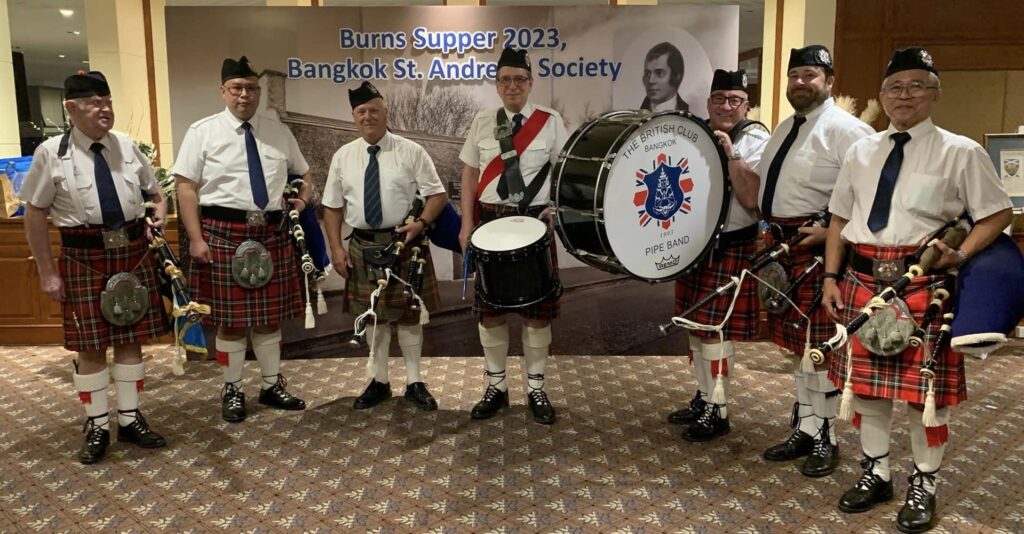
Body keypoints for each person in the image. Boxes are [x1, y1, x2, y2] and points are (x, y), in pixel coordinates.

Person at [822, 47, 1012, 533]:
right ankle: (876, 472)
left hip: (925, 283)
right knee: (867, 393)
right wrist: (829, 277)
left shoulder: (961, 151)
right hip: (862, 277)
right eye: (894, 87)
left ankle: (923, 481)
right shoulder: (861, 151)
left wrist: (963, 255)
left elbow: (997, 213)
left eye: (916, 86)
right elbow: (840, 218)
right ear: (882, 96)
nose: (904, 95)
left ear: (934, 93)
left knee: (927, 395)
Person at [21, 71, 169, 463]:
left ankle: (130, 418)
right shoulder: (51, 153)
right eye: (94, 103)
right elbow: (34, 214)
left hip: (132, 252)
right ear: (71, 109)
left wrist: (160, 212)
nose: (104, 109)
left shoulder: (127, 146)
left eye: (107, 101)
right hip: (83, 256)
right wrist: (48, 271)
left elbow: (155, 192)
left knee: (131, 340)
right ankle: (97, 424)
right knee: (89, 347)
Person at [756, 45, 875, 477]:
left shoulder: (848, 130)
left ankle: (826, 436)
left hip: (820, 248)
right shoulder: (787, 125)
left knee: (820, 350)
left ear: (829, 81)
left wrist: (831, 233)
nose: (800, 83)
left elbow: (872, 194)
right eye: (794, 75)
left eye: (810, 74)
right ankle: (806, 427)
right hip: (784, 247)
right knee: (796, 350)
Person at [173, 56, 310, 423]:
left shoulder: (277, 129)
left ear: (259, 91)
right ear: (223, 92)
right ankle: (232, 388)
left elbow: (305, 174)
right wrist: (195, 239)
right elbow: (185, 188)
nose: (244, 95)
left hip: (271, 232)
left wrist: (303, 197)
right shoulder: (202, 131)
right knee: (230, 322)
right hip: (222, 232)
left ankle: (270, 385)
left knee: (268, 320)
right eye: (237, 88)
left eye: (251, 88)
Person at [458, 48, 568, 425]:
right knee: (490, 313)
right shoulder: (482, 121)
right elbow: (470, 176)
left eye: (519, 79)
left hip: (534, 224)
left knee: (537, 314)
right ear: (497, 83)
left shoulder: (550, 121)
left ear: (530, 83)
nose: (512, 86)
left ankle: (536, 387)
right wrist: (465, 225)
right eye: (505, 79)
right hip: (489, 223)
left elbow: (565, 172)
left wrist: (557, 208)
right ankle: (497, 386)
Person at [322, 81, 448, 411]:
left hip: (404, 243)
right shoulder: (343, 156)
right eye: (361, 112)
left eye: (373, 110)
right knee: (373, 318)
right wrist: (335, 248)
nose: (368, 117)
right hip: (362, 245)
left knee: (409, 316)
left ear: (385, 112)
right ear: (353, 116)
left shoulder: (411, 151)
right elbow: (332, 207)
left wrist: (420, 224)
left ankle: (414, 381)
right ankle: (378, 380)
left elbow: (437, 195)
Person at [669, 69, 768, 442]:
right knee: (696, 327)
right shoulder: (693, 134)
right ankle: (704, 395)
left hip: (732, 242)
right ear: (708, 102)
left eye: (735, 100)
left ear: (746, 104)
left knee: (715, 331)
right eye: (719, 99)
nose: (726, 106)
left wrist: (731, 153)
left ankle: (719, 409)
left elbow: (751, 200)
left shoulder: (756, 138)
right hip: (694, 244)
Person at [640, 42, 689, 112]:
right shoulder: (634, 119)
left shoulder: (690, 119)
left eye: (659, 73)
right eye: (647, 73)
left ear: (676, 77)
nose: (651, 81)